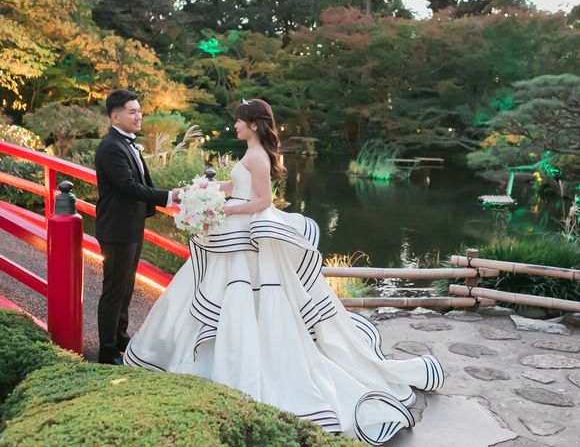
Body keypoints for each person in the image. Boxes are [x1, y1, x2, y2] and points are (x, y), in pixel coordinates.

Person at [124, 99, 444, 443]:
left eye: (240, 121)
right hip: (237, 230)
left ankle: (244, 365)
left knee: (243, 294)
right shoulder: (251, 153)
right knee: (217, 289)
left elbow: (263, 201)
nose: (235, 125)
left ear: (254, 124)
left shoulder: (259, 156)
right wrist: (205, 193)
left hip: (245, 232)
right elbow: (237, 188)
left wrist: (225, 211)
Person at [95, 89, 181, 365]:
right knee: (114, 290)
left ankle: (120, 337)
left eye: (139, 111)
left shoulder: (126, 144)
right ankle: (107, 351)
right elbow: (129, 187)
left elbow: (141, 183)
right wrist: (169, 196)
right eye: (132, 112)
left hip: (130, 226)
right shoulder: (111, 147)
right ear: (115, 117)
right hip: (117, 229)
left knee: (127, 286)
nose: (138, 116)